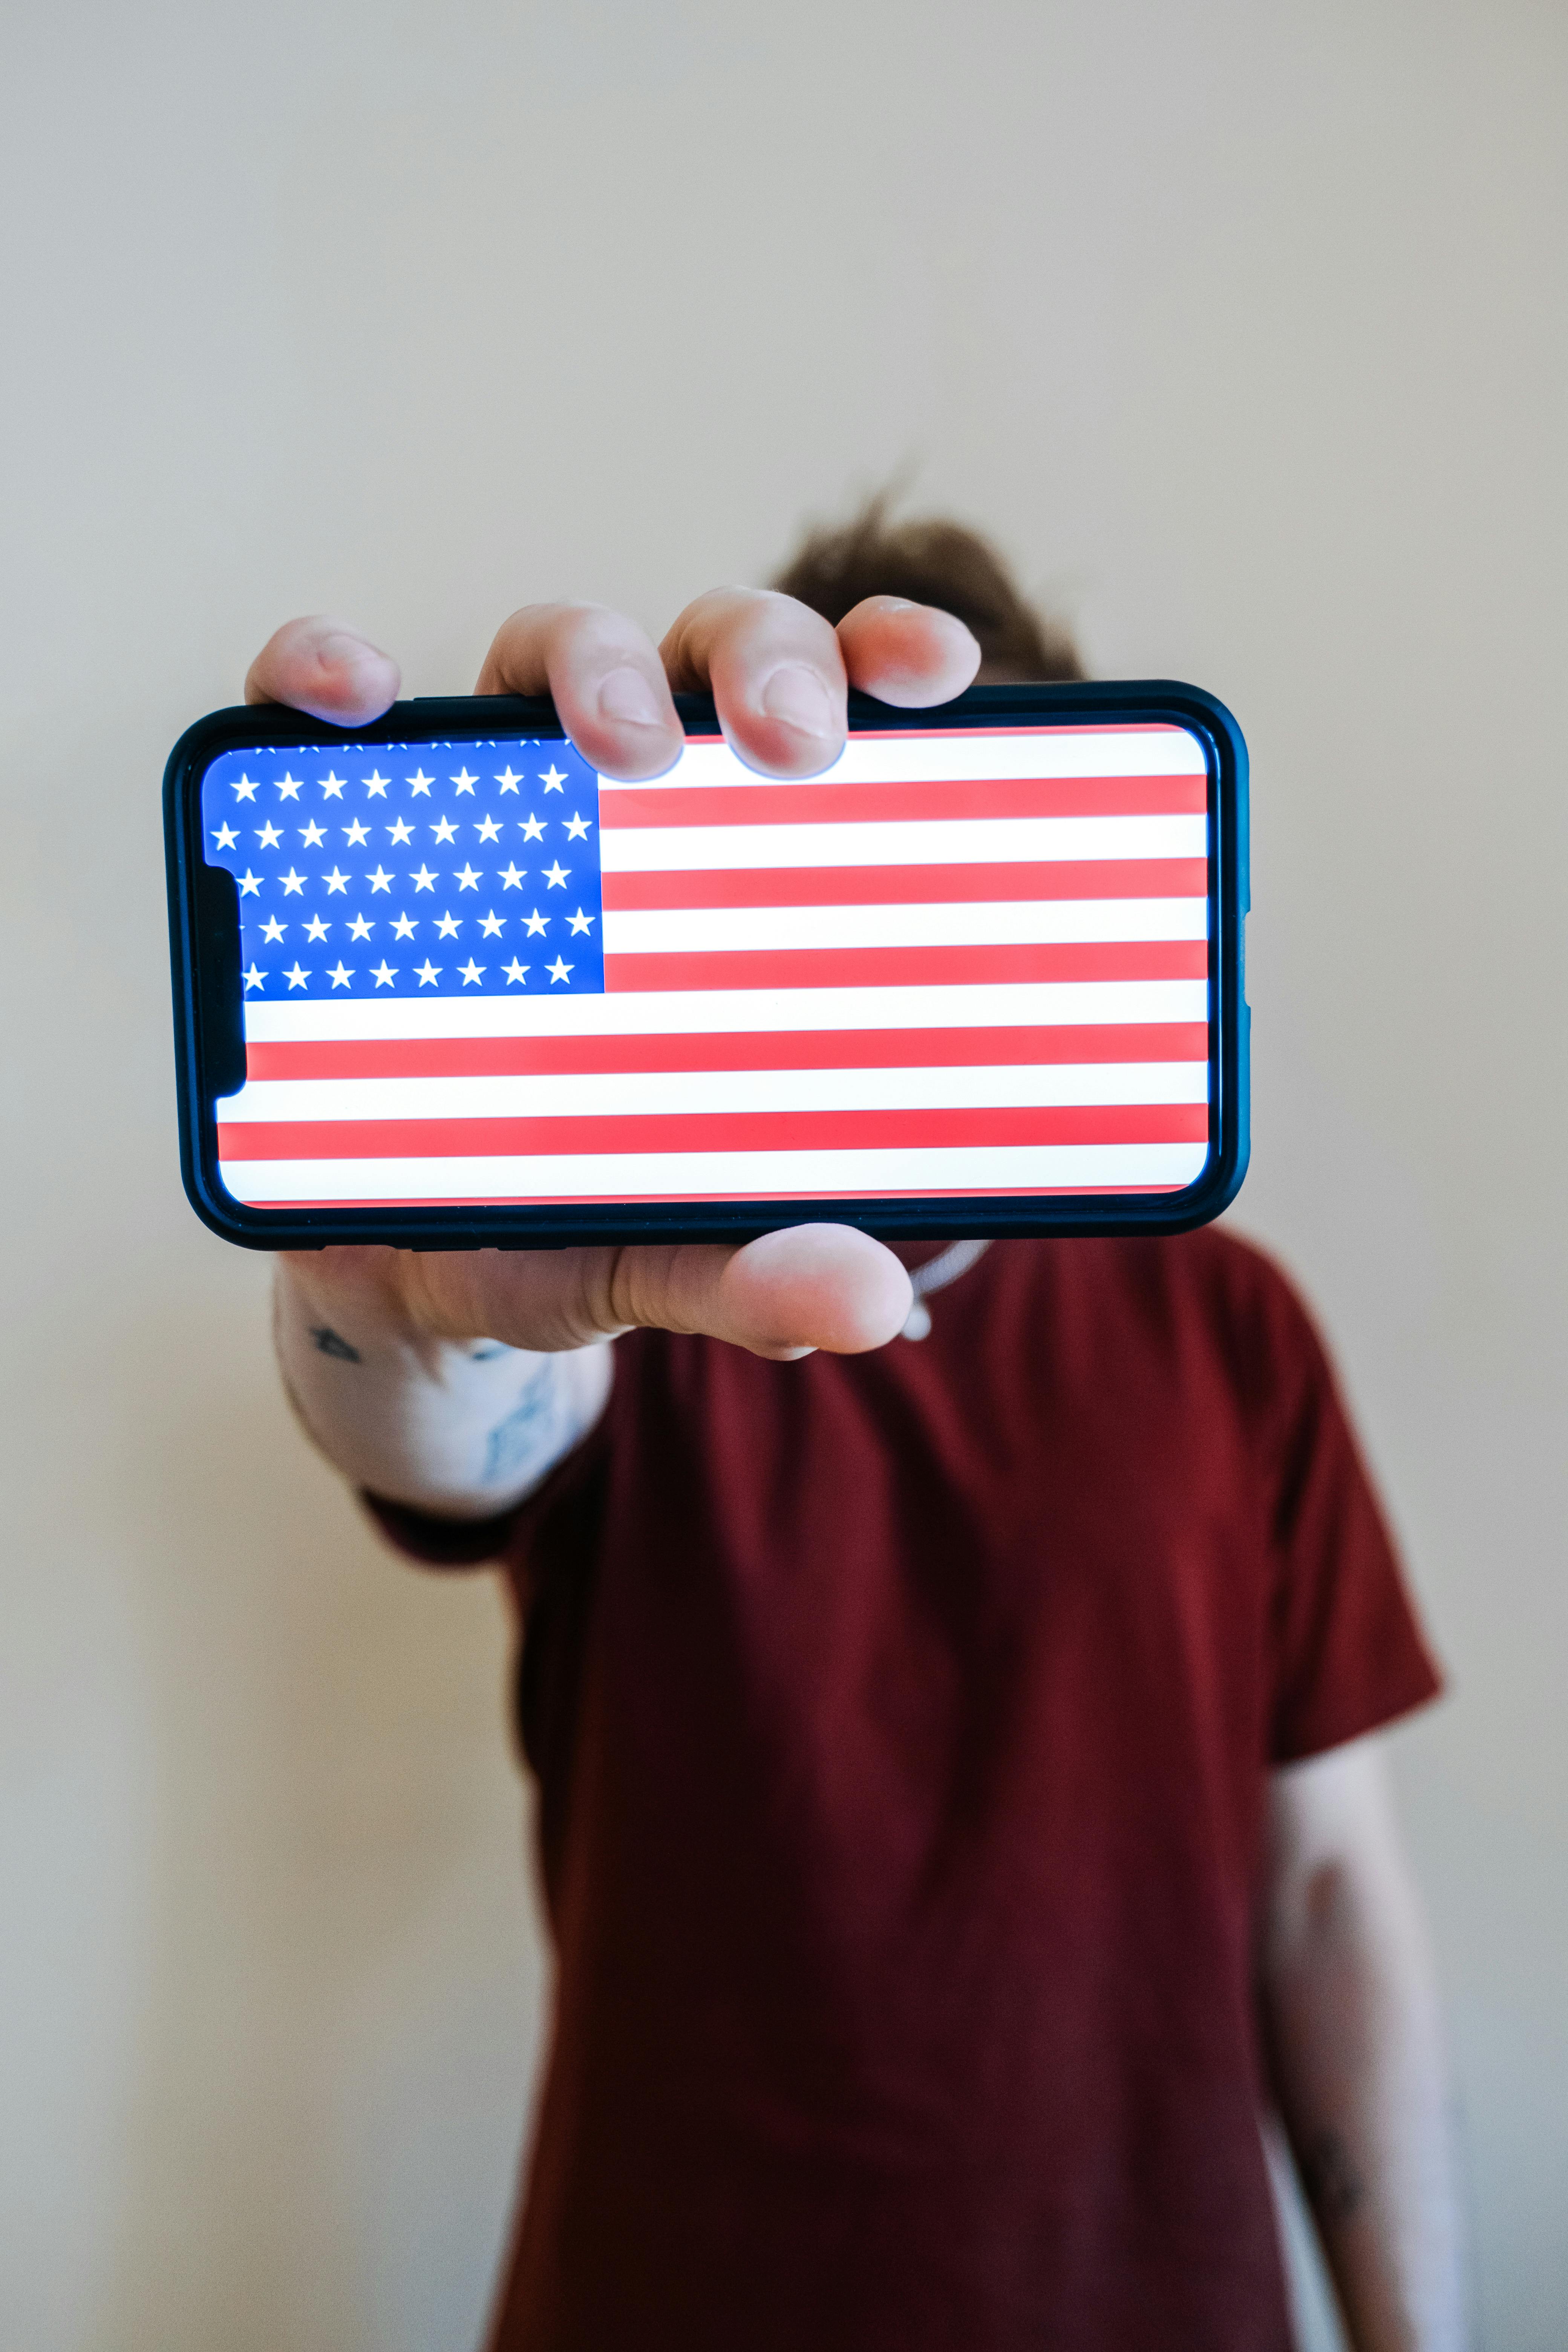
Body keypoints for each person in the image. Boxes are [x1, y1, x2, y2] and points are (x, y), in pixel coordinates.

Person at [254, 511, 1465, 2351]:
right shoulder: (622, 1294)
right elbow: (452, 1432)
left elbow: (1322, 1892)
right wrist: (388, 1296)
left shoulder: (1225, 1323)